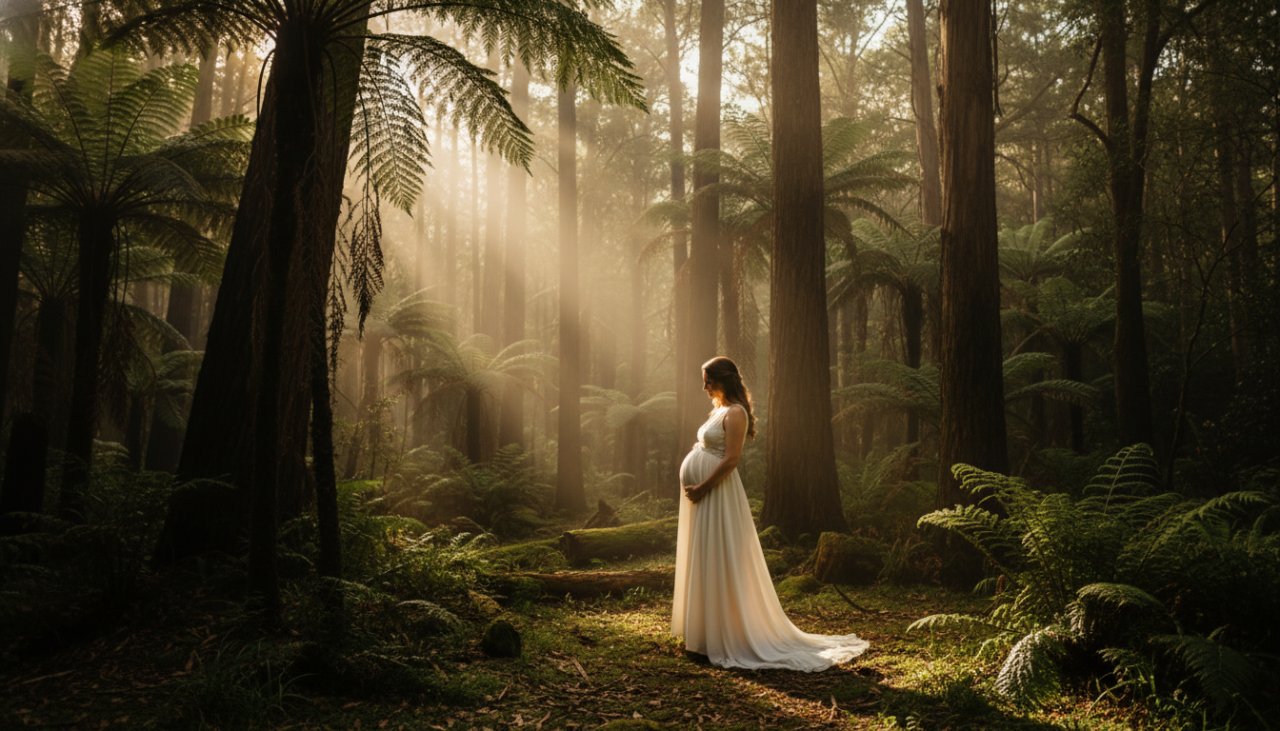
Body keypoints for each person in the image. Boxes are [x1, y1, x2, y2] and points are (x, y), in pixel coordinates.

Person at [671, 356, 869, 671]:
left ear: (724, 379)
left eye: (708, 379)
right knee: (704, 555)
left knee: (717, 556)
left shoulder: (736, 414)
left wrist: (704, 486)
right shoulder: (719, 410)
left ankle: (720, 636)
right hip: (703, 496)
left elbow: (732, 459)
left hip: (716, 494)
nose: (704, 386)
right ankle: (702, 635)